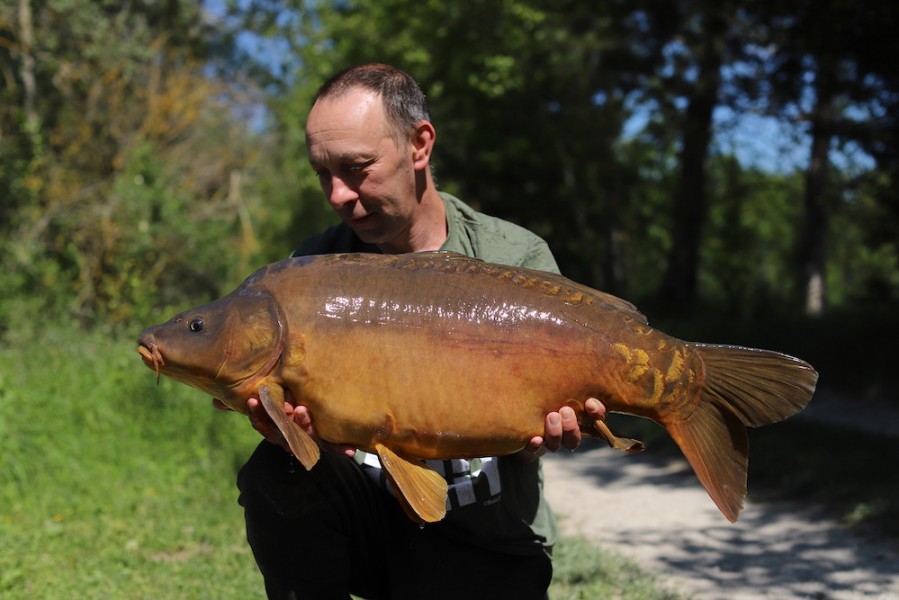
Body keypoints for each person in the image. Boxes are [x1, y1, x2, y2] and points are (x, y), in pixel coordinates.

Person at [219, 63, 606, 600]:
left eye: (356, 168)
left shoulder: (513, 258)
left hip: (492, 542)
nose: (336, 194)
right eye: (322, 173)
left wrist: (548, 435)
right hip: (375, 535)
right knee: (273, 473)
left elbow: (543, 428)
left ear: (419, 145)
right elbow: (307, 453)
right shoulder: (309, 273)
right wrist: (294, 433)